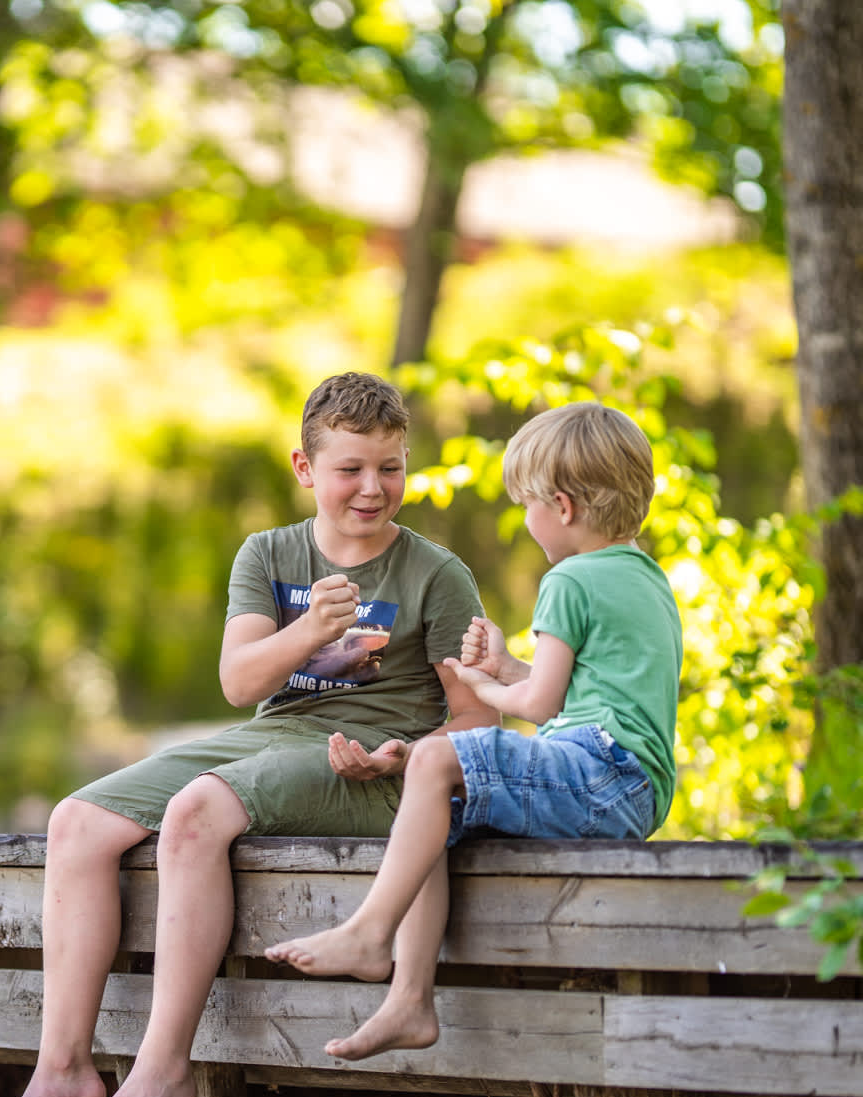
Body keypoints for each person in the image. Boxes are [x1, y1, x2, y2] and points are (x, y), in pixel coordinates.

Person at [0, 372, 497, 1097]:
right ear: (304, 467)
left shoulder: (435, 573)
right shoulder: (269, 553)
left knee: (195, 813)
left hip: (374, 767)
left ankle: (161, 1069)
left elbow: (477, 717)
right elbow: (240, 682)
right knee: (74, 823)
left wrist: (403, 757)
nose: (372, 487)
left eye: (390, 467)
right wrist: (309, 630)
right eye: (350, 468)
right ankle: (64, 1067)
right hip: (272, 733)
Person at [265, 400, 682, 1059]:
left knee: (435, 759)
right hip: (632, 785)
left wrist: (486, 688)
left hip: (600, 769)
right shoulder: (645, 577)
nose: (527, 520)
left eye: (528, 505)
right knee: (435, 806)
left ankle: (372, 935)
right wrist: (506, 663)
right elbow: (586, 682)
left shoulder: (569, 579)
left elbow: (541, 705)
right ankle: (408, 1003)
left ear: (563, 506)